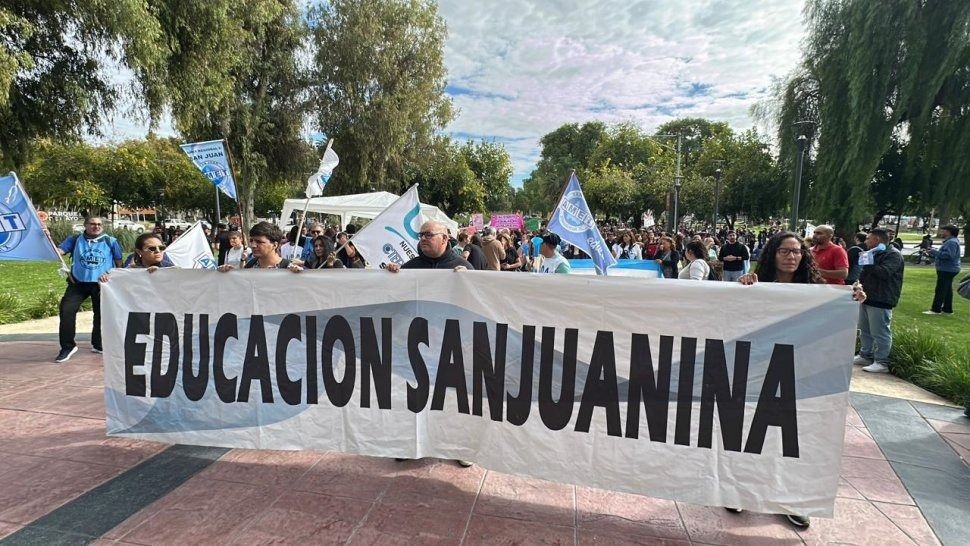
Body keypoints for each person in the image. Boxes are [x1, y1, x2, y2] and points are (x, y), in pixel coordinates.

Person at [733, 232, 865, 529]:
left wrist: (853, 298)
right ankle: (741, 490)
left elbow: (837, 319)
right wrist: (742, 288)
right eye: (785, 251)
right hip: (759, 371)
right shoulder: (756, 284)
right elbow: (736, 316)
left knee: (793, 439)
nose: (792, 257)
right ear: (772, 254)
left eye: (796, 252)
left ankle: (792, 498)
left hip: (800, 374)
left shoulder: (817, 290)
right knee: (749, 434)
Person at [54, 216, 123, 363]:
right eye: (92, 224)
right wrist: (45, 237)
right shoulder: (75, 239)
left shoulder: (110, 241)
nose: (96, 226)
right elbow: (59, 251)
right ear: (85, 225)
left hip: (101, 284)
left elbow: (119, 263)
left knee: (101, 314)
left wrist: (111, 276)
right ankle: (67, 347)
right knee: (66, 311)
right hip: (78, 283)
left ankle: (98, 344)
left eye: (99, 224)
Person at [854, 228, 905, 374]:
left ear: (877, 239)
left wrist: (869, 262)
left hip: (882, 298)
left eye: (868, 238)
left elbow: (884, 273)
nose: (866, 241)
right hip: (867, 296)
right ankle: (865, 355)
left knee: (880, 331)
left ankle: (882, 362)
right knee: (864, 329)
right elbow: (865, 272)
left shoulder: (893, 255)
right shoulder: (873, 253)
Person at [386, 220, 473, 272]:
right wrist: (389, 273)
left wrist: (468, 279)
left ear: (444, 239)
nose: (423, 238)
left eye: (428, 234)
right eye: (421, 235)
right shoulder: (410, 267)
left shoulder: (463, 267)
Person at [217, 221, 290, 271]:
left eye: (259, 242)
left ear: (274, 245)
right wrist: (232, 273)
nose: (253, 245)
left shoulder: (288, 268)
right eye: (251, 241)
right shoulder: (250, 265)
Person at [924, 225, 962, 315]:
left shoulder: (951, 242)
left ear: (949, 232)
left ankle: (935, 309)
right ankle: (947, 309)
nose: (941, 232)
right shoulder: (951, 241)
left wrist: (933, 251)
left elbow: (948, 255)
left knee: (940, 289)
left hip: (947, 269)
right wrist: (932, 253)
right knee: (947, 289)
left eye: (943, 231)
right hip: (950, 269)